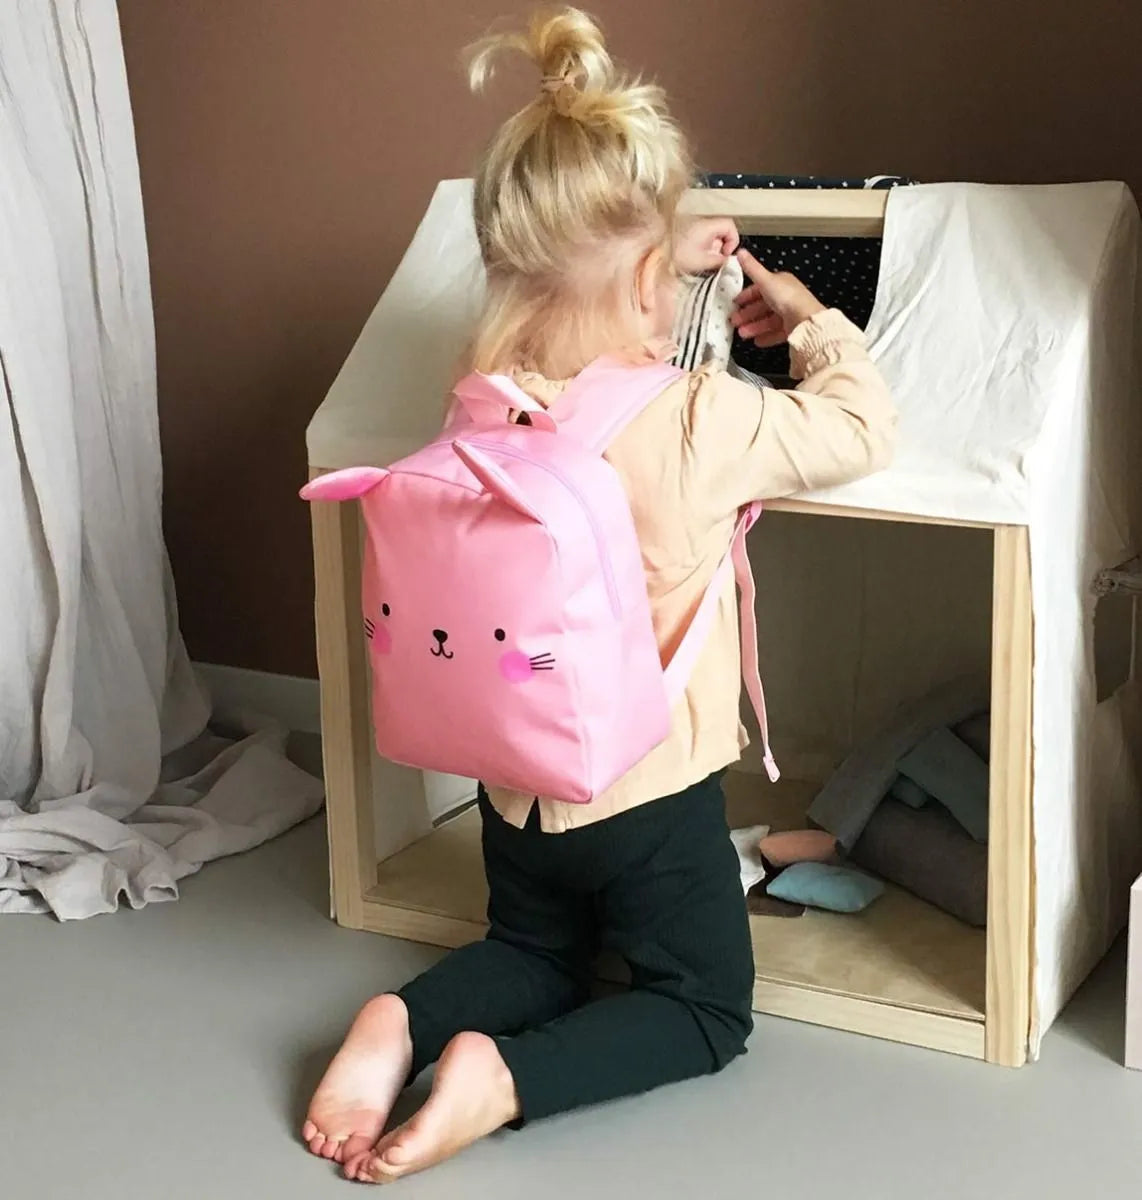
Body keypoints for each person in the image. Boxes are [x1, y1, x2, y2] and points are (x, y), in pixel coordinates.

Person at [302, 7, 896, 1184]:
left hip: (511, 783)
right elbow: (861, 429)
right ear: (644, 278)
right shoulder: (698, 419)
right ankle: (502, 1081)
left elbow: (591, 328)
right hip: (645, 795)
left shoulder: (481, 397)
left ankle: (399, 1024)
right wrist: (804, 317)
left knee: (534, 950)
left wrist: (656, 254)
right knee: (702, 1006)